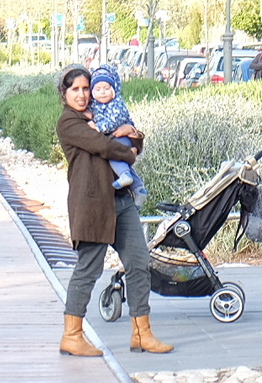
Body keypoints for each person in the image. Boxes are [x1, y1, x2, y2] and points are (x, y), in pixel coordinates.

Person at [55, 65, 173, 357]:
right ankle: (72, 335)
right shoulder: (69, 122)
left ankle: (141, 333)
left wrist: (134, 134)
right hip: (92, 204)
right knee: (89, 269)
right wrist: (130, 151)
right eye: (75, 90)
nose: (82, 95)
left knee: (139, 262)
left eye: (86, 88)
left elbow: (127, 134)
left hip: (121, 200)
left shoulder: (100, 113)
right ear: (65, 93)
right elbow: (103, 146)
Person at [87, 64, 147, 208]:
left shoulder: (116, 103)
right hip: (117, 137)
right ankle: (139, 189)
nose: (102, 92)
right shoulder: (95, 105)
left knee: (114, 155)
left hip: (121, 138)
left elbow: (115, 120)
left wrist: (97, 127)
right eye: (98, 89)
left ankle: (125, 177)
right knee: (123, 164)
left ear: (114, 90)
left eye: (107, 89)